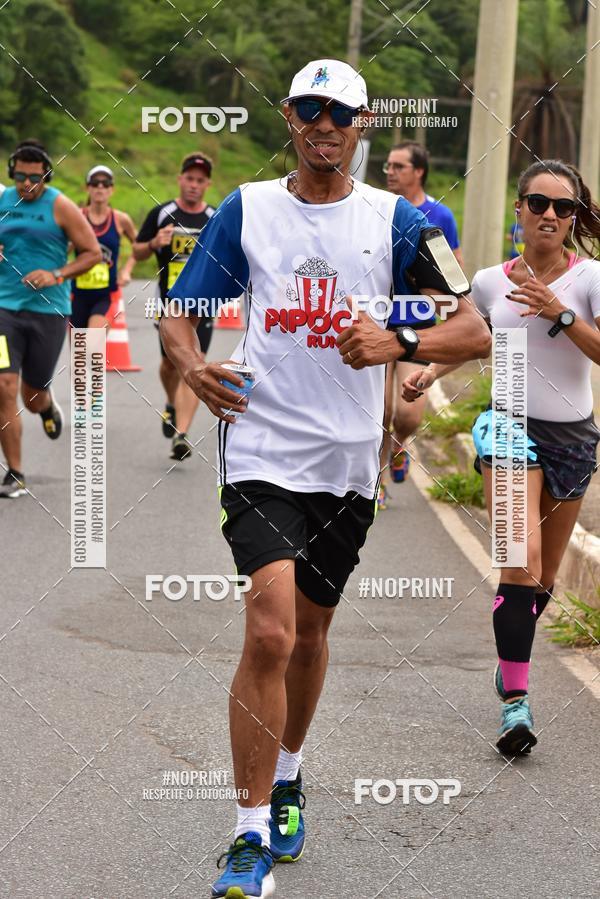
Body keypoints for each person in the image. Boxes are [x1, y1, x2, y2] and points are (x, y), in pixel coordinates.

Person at [160, 58, 490, 898]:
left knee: (309, 634)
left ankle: (293, 772)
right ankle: (247, 832)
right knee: (268, 631)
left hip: (349, 459)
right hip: (262, 445)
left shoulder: (402, 221)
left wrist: (399, 345)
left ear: (363, 123)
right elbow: (177, 312)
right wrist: (194, 369)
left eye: (340, 112)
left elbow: (473, 326)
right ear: (289, 116)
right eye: (309, 109)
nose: (324, 125)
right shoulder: (247, 208)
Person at [403, 159, 600, 756]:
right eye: (538, 203)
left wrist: (560, 314)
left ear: (572, 219)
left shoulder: (590, 279)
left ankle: (510, 655)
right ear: (518, 209)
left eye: (562, 208)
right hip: (508, 427)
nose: (548, 215)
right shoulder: (488, 281)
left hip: (574, 438)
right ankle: (516, 704)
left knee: (541, 579)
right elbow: (477, 338)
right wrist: (430, 371)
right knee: (520, 559)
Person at [0, 139, 101, 499]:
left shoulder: (61, 206)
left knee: (31, 394)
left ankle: (46, 405)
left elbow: (92, 253)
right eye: (20, 176)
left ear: (46, 175)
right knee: (3, 388)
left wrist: (57, 274)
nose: (26, 183)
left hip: (48, 311)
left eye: (34, 177)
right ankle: (15, 472)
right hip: (4, 311)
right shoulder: (2, 202)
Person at [378, 141, 464, 509]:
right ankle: (376, 482)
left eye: (399, 166)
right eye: (388, 166)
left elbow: (453, 269)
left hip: (419, 328)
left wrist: (455, 317)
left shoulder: (439, 215)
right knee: (378, 410)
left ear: (419, 172)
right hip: (378, 322)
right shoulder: (375, 209)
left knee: (408, 415)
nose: (391, 172)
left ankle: (400, 446)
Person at [133, 153, 215, 461]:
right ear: (181, 180)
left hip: (202, 304)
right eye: (189, 179)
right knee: (170, 364)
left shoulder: (213, 217)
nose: (194, 185)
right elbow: (138, 252)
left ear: (207, 184)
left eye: (200, 180)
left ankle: (181, 434)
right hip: (166, 303)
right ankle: (171, 404)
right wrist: (155, 242)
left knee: (196, 361)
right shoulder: (162, 213)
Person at [70, 165, 137, 331]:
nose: (100, 187)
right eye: (95, 183)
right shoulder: (76, 216)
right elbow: (61, 249)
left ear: (111, 189)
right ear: (88, 187)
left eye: (105, 183)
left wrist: (126, 270)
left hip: (106, 296)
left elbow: (140, 247)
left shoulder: (121, 219)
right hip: (77, 294)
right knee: (79, 356)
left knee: (93, 346)